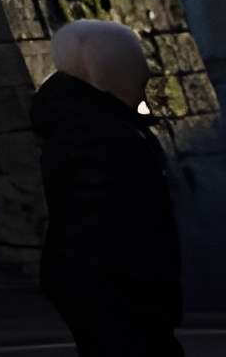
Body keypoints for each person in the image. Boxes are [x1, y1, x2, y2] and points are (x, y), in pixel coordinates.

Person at [32, 19, 182, 357]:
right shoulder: (98, 135)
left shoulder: (81, 124)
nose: (143, 84)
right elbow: (119, 224)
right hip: (117, 289)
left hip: (108, 287)